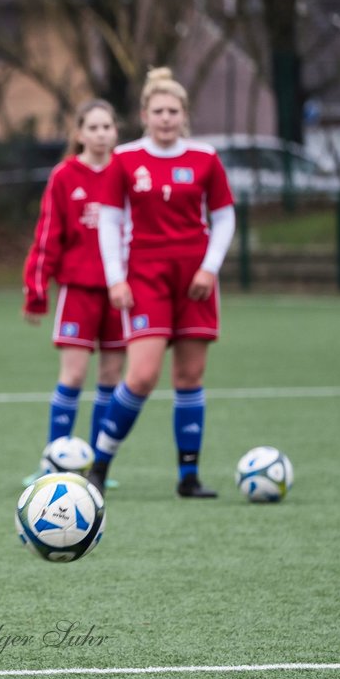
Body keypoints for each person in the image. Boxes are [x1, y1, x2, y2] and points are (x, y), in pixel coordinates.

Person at [87, 68, 236, 497]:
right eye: (158, 111)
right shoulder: (126, 160)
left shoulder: (205, 158)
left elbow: (224, 216)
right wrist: (116, 279)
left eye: (173, 111)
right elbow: (110, 221)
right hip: (146, 277)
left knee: (190, 375)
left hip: (195, 281)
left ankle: (188, 477)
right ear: (144, 114)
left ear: (184, 115)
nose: (166, 118)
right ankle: (100, 465)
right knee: (142, 376)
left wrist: (210, 267)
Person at [21, 99, 126, 486]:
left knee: (112, 377)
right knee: (74, 375)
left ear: (116, 131)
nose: (101, 134)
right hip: (79, 290)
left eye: (107, 127)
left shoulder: (126, 172)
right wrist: (37, 289)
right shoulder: (65, 175)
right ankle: (53, 460)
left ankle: (98, 466)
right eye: (93, 127)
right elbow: (48, 236)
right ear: (79, 133)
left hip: (121, 293)